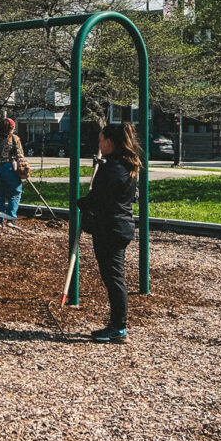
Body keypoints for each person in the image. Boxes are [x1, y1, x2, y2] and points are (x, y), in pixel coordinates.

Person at [76, 122, 140, 344]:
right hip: (119, 226)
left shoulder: (112, 169)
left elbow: (99, 198)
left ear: (110, 143)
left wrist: (83, 203)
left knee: (113, 278)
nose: (99, 144)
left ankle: (118, 327)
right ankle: (116, 325)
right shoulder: (126, 165)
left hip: (111, 228)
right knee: (114, 277)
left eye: (101, 140)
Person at [0, 117, 24, 224]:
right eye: (13, 128)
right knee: (15, 193)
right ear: (10, 128)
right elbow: (20, 156)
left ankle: (0, 220)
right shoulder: (14, 139)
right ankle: (11, 219)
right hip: (8, 167)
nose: (14, 130)